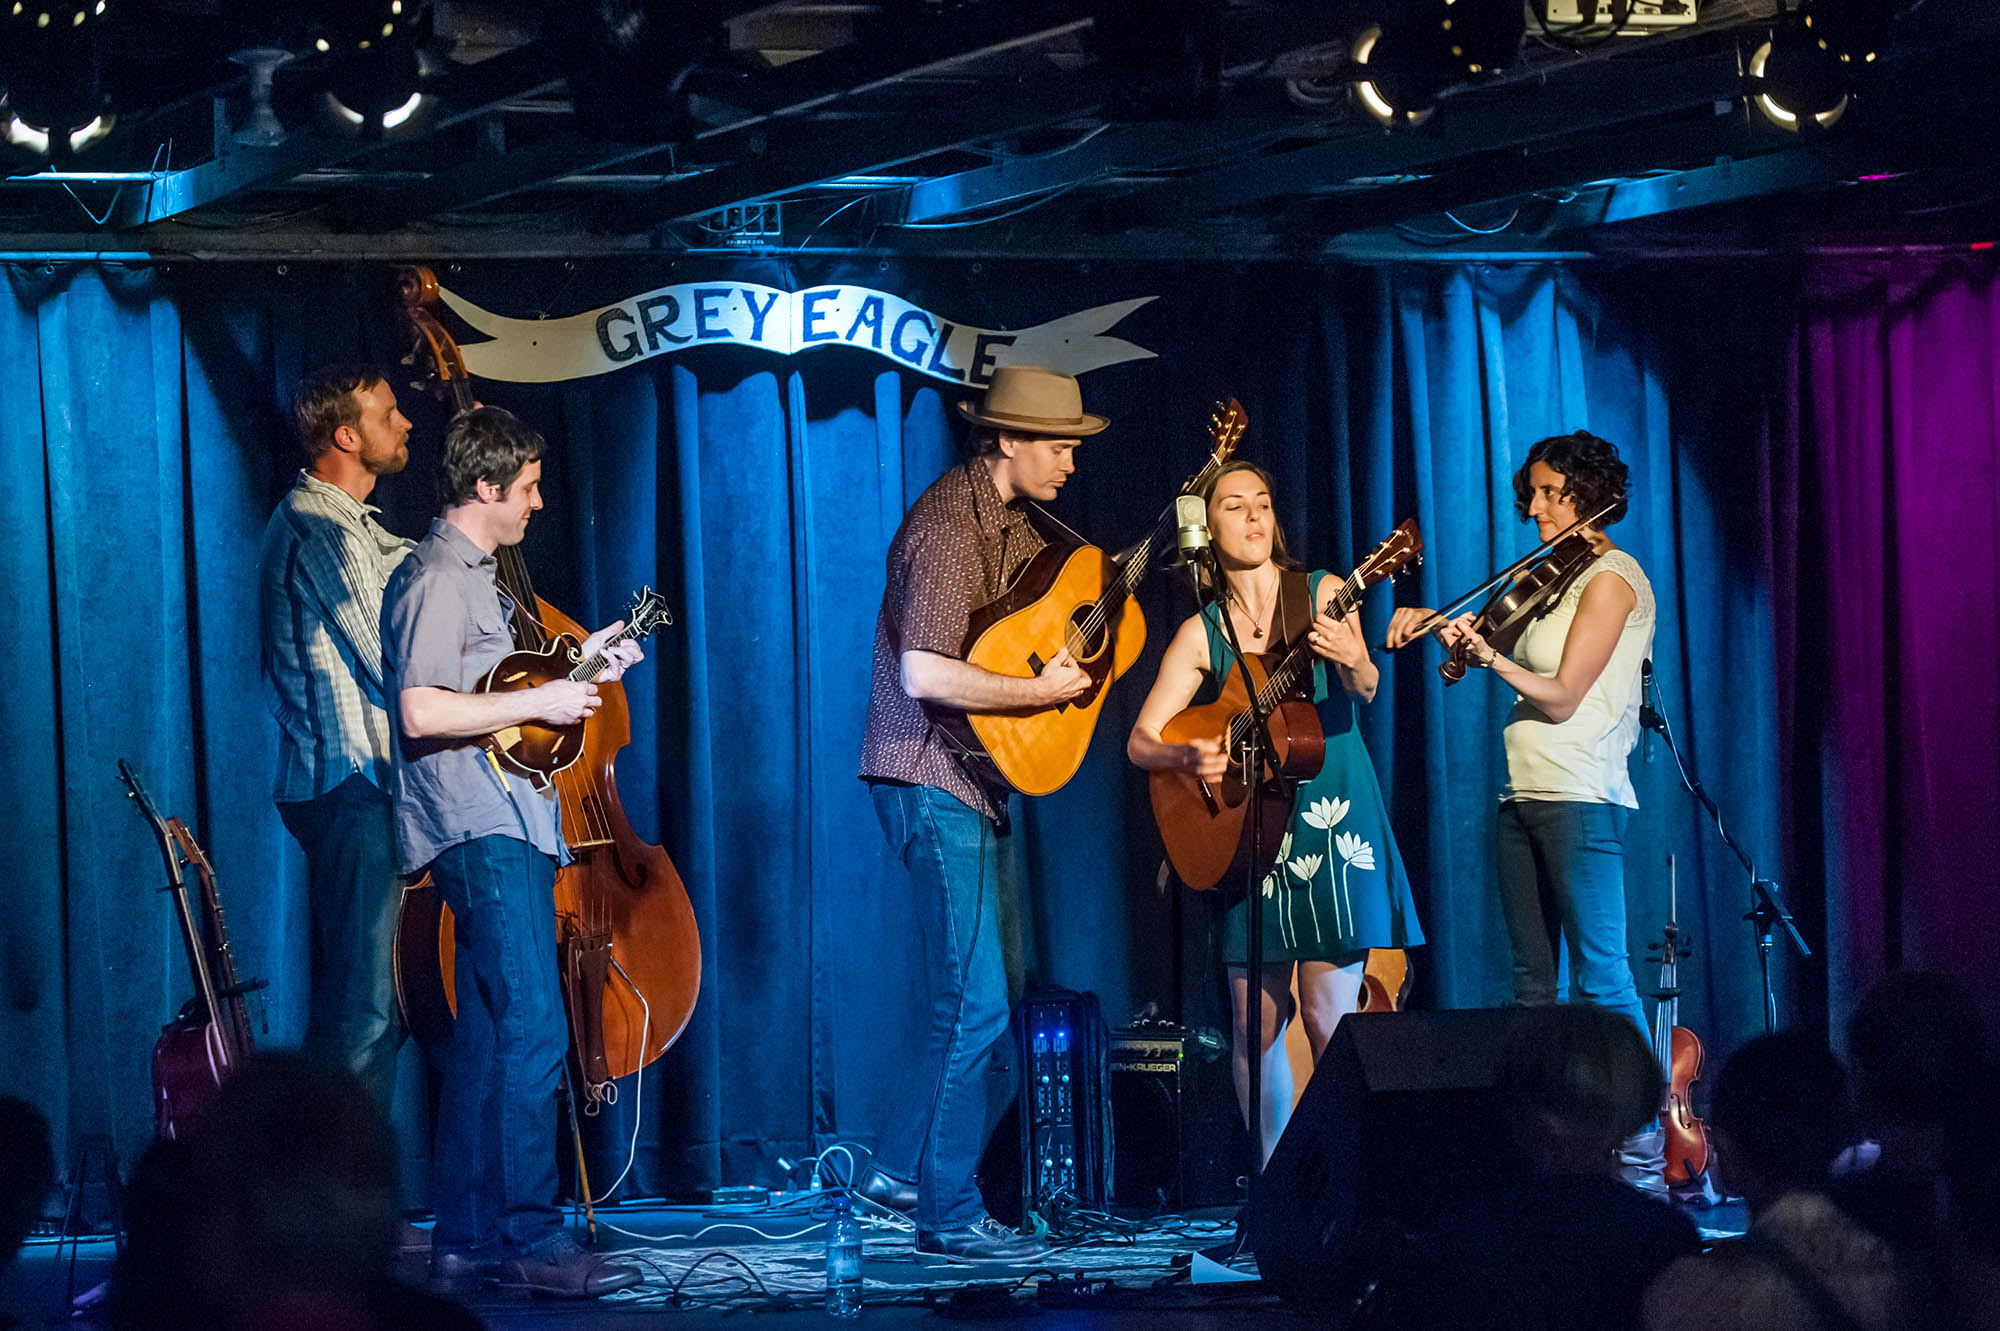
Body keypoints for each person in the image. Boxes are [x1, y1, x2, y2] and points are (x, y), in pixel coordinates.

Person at [381, 405, 643, 1298]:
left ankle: (468, 1238)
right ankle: (531, 1238)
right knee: (534, 1022)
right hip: (475, 823)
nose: (538, 502)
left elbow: (500, 701)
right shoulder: (436, 580)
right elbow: (421, 710)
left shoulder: (480, 583)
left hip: (510, 819)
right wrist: (537, 704)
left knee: (494, 1037)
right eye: (527, 487)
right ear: (485, 486)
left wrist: (583, 672)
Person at [855, 365, 1098, 1264]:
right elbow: (923, 671)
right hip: (931, 778)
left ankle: (891, 1172)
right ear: (1006, 439)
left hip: (971, 782)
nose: (1071, 461)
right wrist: (1034, 694)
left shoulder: (1014, 529)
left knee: (964, 1008)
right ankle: (947, 1211)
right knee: (976, 1009)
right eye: (1058, 443)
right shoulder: (952, 525)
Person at [1127, 460, 1423, 1158]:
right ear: (1208, 527)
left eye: (1263, 501)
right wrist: (1186, 757)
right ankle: (1276, 1190)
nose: (1255, 515)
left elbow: (1368, 686)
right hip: (1246, 834)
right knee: (1253, 1024)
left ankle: (1347, 1185)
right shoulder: (1203, 633)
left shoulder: (1320, 591)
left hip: (1331, 814)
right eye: (1235, 505)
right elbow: (1143, 739)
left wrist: (1353, 656)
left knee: (1329, 1016)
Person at [1386, 431, 1654, 1034]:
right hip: (1522, 797)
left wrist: (1493, 659)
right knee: (1533, 987)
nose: (1533, 508)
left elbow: (1561, 698)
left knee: (1602, 980)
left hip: (1580, 797)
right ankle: (1548, 1123)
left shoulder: (1612, 577)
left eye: (1548, 493)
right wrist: (1432, 623)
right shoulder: (1555, 577)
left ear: (1586, 494)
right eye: (1531, 494)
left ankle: (1640, 1124)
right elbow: (1483, 638)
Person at [256, 366, 416, 1113]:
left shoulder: (359, 526)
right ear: (347, 435)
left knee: (380, 1002)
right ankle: (327, 1210)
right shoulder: (317, 524)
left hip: (364, 786)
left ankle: (333, 1198)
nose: (405, 423)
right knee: (366, 1007)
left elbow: (410, 565)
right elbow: (392, 654)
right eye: (388, 414)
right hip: (349, 785)